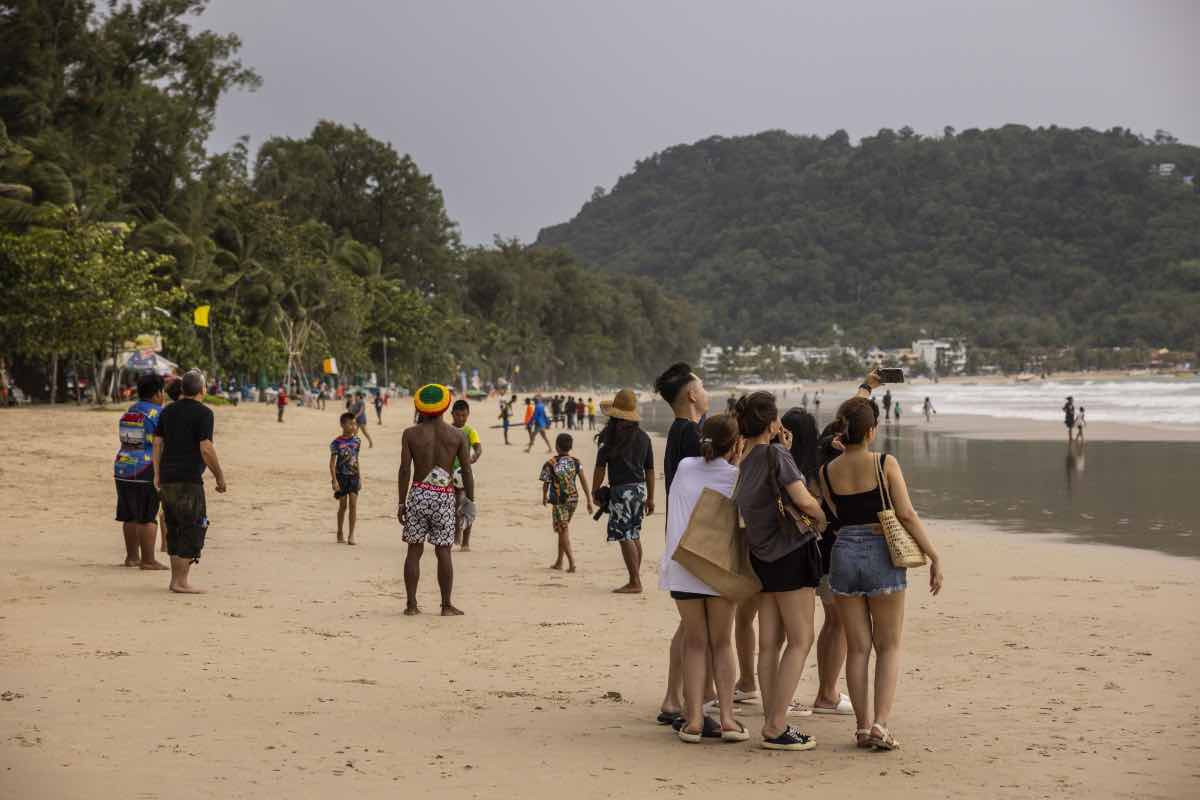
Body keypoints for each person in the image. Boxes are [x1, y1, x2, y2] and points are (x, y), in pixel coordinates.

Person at [819, 395, 943, 751]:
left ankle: (861, 727)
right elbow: (905, 513)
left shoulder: (827, 471)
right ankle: (880, 725)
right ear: (871, 431)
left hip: (843, 553)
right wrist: (932, 554)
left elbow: (831, 516)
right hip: (880, 551)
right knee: (888, 646)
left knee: (858, 648)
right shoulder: (884, 463)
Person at [732, 391, 827, 751]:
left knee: (770, 642)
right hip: (790, 553)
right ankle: (775, 724)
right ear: (772, 423)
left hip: (762, 557)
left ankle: (773, 719)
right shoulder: (776, 454)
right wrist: (822, 518)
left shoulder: (745, 459)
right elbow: (803, 500)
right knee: (802, 639)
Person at [661, 414, 750, 744]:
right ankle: (727, 719)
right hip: (716, 567)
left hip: (683, 567)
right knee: (722, 643)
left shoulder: (684, 466)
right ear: (736, 443)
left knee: (695, 643)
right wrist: (736, 461)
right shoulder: (735, 476)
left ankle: (695, 719)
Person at [653, 363, 717, 725]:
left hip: (680, 535)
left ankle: (673, 697)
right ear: (692, 395)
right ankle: (691, 699)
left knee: (689, 626)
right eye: (703, 386)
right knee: (700, 628)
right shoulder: (692, 435)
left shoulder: (679, 432)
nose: (706, 391)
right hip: (695, 539)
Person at [397, 384, 473, 616]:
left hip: (419, 492)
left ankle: (411, 605)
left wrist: (402, 502)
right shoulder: (457, 435)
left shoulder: (410, 434)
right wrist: (470, 500)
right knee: (444, 550)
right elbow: (467, 471)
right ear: (445, 406)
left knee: (414, 549)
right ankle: (446, 605)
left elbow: (404, 470)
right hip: (443, 496)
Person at [153, 370, 227, 594]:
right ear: (202, 390)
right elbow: (205, 447)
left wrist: (157, 473)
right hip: (189, 480)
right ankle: (180, 581)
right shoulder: (204, 413)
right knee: (192, 527)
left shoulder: (167, 411)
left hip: (167, 477)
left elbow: (157, 443)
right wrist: (220, 476)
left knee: (174, 526)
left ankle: (176, 580)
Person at [592, 389, 655, 594]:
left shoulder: (609, 437)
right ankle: (635, 577)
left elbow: (600, 467)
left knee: (624, 534)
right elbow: (650, 470)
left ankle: (635, 581)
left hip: (621, 491)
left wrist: (594, 490)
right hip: (639, 489)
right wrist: (651, 497)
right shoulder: (644, 437)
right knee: (634, 533)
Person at [114, 373, 168, 570]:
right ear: (157, 393)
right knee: (147, 515)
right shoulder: (159, 414)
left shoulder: (131, 410)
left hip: (123, 466)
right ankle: (148, 560)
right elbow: (161, 443)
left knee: (129, 515)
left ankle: (131, 557)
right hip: (145, 467)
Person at [540, 433, 593, 572]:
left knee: (563, 530)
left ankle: (571, 563)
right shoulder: (576, 462)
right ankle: (559, 562)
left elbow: (546, 483)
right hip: (574, 499)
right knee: (561, 529)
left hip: (559, 501)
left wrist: (544, 496)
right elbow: (583, 480)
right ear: (570, 447)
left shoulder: (550, 463)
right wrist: (588, 499)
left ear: (557, 446)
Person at [451, 399, 482, 550]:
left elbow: (478, 448)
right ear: (452, 415)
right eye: (458, 415)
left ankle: (466, 542)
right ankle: (455, 534)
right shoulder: (447, 430)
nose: (461, 419)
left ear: (468, 414)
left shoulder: (470, 431)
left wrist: (474, 457)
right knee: (453, 506)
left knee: (468, 505)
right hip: (449, 474)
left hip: (465, 474)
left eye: (464, 415)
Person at [329, 412, 362, 545]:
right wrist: (334, 480)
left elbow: (356, 459)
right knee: (343, 506)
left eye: (354, 423)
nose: (353, 426)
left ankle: (351, 534)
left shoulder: (357, 441)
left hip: (354, 476)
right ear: (342, 425)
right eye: (350, 423)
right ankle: (340, 532)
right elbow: (332, 463)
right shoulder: (336, 442)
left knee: (353, 505)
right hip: (341, 477)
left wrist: (359, 477)